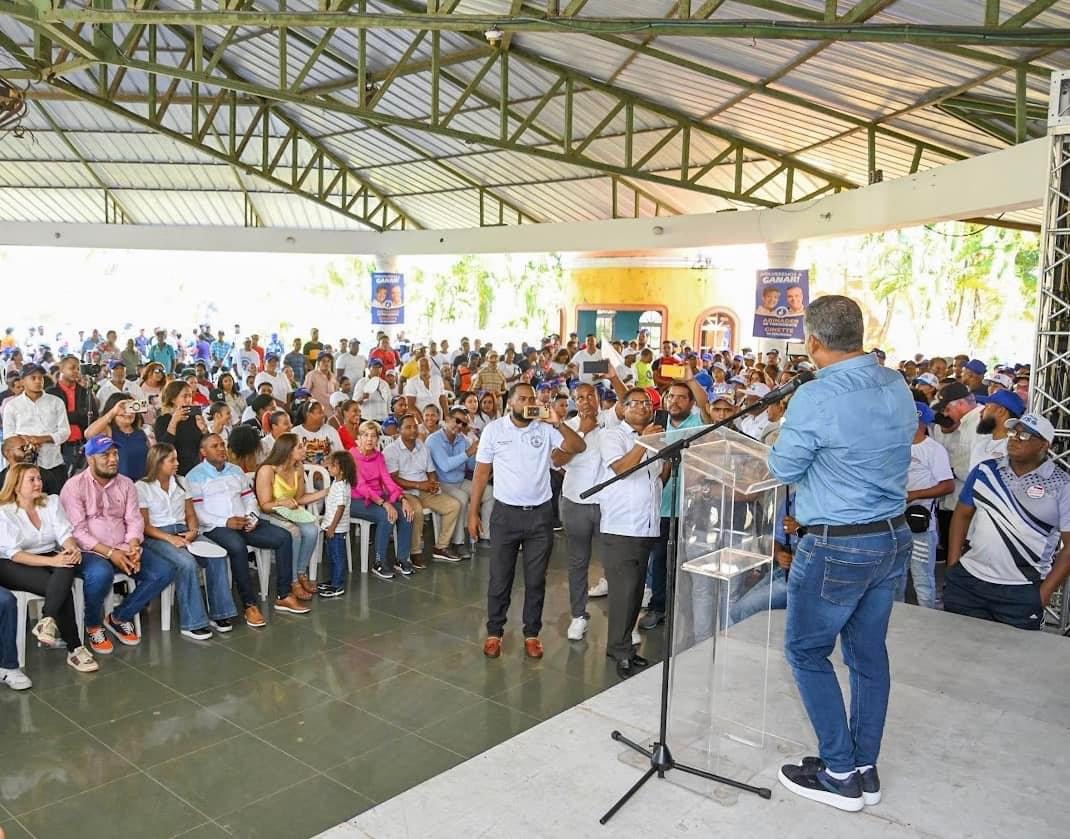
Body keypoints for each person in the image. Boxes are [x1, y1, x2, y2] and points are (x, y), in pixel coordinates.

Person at [767, 296, 915, 812]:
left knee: (807, 652)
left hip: (839, 544)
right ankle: (864, 766)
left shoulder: (817, 396)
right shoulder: (895, 382)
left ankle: (838, 772)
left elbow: (783, 468)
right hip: (891, 538)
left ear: (813, 341)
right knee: (868, 655)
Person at [470, 383, 585, 660]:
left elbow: (577, 446)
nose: (527, 403)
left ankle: (531, 634)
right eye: (521, 398)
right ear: (510, 402)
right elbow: (482, 473)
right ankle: (494, 632)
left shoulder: (544, 428)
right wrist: (472, 512)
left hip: (539, 516)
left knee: (535, 580)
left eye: (531, 399)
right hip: (505, 515)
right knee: (500, 577)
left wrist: (557, 422)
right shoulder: (494, 430)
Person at [945, 413, 1070, 630]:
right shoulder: (985, 470)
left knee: (1011, 661)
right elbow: (961, 515)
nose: (1014, 438)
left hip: (1021, 590)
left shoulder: (1062, 484)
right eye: (1013, 432)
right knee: (954, 653)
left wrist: (1044, 592)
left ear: (1044, 444)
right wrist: (953, 564)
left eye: (1024, 435)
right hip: (968, 582)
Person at [60, 436, 176, 653]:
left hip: (123, 546)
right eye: (105, 455)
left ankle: (119, 616)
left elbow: (134, 520)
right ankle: (93, 624)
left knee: (165, 571)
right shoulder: (74, 486)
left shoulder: (126, 484)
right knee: (100, 574)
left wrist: (133, 546)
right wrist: (111, 553)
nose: (113, 459)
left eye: (115, 454)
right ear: (90, 458)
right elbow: (77, 531)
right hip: (90, 551)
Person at [188, 434, 307, 622]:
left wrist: (252, 517)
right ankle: (249, 605)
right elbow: (196, 510)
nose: (221, 449)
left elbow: (249, 498)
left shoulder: (235, 470)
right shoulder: (195, 476)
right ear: (203, 452)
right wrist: (225, 522)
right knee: (237, 547)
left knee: (284, 537)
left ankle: (284, 595)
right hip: (215, 526)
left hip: (245, 522)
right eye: (214, 446)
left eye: (222, 445)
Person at [0, 463, 98, 673]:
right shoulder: (4, 511)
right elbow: (15, 553)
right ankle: (75, 648)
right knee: (61, 586)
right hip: (11, 564)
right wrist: (54, 561)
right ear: (16, 485)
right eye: (32, 479)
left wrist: (71, 548)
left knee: (68, 563)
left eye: (39, 478)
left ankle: (47, 620)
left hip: (47, 556)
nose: (39, 483)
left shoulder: (51, 502)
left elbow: (64, 534)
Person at [595, 387, 664, 678]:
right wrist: (647, 441)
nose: (641, 407)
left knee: (636, 592)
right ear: (622, 408)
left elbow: (658, 476)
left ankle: (618, 645)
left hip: (647, 525)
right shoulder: (612, 435)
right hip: (621, 527)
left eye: (646, 403)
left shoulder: (655, 438)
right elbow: (622, 468)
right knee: (623, 592)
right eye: (634, 403)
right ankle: (622, 650)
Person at [137, 443, 238, 639]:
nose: (177, 463)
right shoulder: (142, 487)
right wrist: (170, 538)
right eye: (172, 460)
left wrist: (193, 531)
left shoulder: (182, 482)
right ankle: (192, 622)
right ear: (158, 463)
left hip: (184, 531)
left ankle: (220, 613)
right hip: (157, 536)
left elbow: (190, 514)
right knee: (187, 563)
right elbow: (145, 526)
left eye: (176, 458)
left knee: (217, 555)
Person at [639, 378, 706, 632]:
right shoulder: (657, 424)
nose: (674, 401)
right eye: (670, 397)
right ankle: (659, 607)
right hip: (663, 506)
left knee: (688, 563)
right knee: (660, 562)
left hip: (692, 507)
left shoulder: (697, 423)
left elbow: (705, 403)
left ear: (691, 403)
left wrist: (691, 377)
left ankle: (687, 610)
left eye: (681, 397)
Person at [554, 383, 609, 641]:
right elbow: (558, 459)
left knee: (613, 559)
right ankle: (578, 615)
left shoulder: (610, 422)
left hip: (606, 503)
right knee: (578, 561)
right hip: (575, 501)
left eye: (590, 396)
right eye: (580, 398)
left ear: (598, 399)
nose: (586, 402)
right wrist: (582, 434)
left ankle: (623, 621)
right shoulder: (568, 426)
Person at [384, 414, 464, 565]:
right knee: (417, 511)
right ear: (399, 430)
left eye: (415, 426)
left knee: (454, 505)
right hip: (404, 493)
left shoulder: (423, 447)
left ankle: (441, 547)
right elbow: (393, 479)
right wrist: (419, 485)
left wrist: (433, 484)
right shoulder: (391, 450)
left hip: (424, 489)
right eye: (408, 427)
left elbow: (431, 471)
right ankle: (415, 552)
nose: (413, 430)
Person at [255, 433, 326, 601]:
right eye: (300, 446)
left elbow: (299, 498)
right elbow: (264, 505)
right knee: (293, 532)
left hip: (289, 512)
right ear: (287, 450)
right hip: (268, 514)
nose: (304, 449)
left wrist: (325, 492)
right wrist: (283, 503)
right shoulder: (267, 470)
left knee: (312, 530)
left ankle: (301, 572)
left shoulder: (298, 467)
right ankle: (293, 580)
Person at [900, 402, 954, 609]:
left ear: (922, 423)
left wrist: (915, 495)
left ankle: (928, 622)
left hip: (920, 524)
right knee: (896, 578)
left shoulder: (934, 450)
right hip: (895, 522)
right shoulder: (895, 445)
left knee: (922, 578)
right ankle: (895, 620)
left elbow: (948, 485)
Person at [349, 421, 416, 579]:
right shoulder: (351, 456)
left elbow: (388, 481)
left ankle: (401, 559)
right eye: (366, 435)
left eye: (373, 436)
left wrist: (402, 498)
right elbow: (360, 486)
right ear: (359, 438)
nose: (369, 439)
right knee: (387, 515)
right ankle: (379, 562)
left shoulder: (378, 457)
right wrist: (384, 503)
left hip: (377, 498)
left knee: (407, 512)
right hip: (356, 500)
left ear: (378, 439)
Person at [2, 363, 71, 495]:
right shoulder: (12, 406)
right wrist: (26, 442)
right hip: (23, 465)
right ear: (22, 381)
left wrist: (41, 439)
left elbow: (64, 432)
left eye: (41, 378)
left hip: (52, 463)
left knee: (55, 502)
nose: (38, 381)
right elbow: (8, 437)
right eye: (33, 378)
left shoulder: (56, 402)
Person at [426, 407, 486, 556]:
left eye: (463, 424)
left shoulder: (464, 440)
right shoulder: (434, 440)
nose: (459, 426)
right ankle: (458, 542)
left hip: (460, 481)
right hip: (441, 483)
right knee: (462, 498)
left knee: (490, 493)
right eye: (457, 421)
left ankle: (485, 536)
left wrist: (478, 454)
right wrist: (468, 453)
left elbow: (471, 466)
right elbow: (445, 466)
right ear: (447, 419)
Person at [85, 394, 152, 481]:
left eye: (131, 408)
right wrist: (113, 412)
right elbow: (89, 434)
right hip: (117, 485)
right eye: (123, 409)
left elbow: (151, 459)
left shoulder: (142, 432)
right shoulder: (108, 431)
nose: (128, 413)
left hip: (142, 485)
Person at [318, 450, 355, 598]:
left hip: (337, 530)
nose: (329, 468)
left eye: (332, 466)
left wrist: (332, 527)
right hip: (332, 527)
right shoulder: (337, 482)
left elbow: (340, 508)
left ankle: (338, 585)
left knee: (338, 557)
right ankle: (333, 579)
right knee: (332, 556)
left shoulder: (341, 487)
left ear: (342, 469)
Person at [154, 381, 209, 476]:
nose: (188, 400)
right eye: (184, 396)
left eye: (190, 396)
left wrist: (204, 430)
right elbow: (163, 449)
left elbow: (205, 445)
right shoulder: (162, 420)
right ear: (173, 399)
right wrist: (173, 422)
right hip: (174, 471)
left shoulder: (193, 417)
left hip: (195, 468)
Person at [969, 389, 1025, 469]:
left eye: (987, 407)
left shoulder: (1013, 448)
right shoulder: (980, 442)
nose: (981, 412)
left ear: (1000, 411)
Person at [292, 400, 343, 466]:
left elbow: (341, 454)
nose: (324, 415)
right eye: (320, 413)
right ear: (308, 414)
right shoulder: (295, 432)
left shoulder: (330, 430)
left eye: (323, 412)